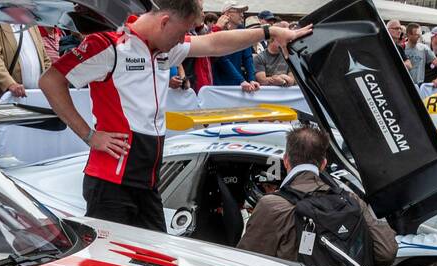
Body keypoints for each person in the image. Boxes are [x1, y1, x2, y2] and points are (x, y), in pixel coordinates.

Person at [39, 0, 311, 231]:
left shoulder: (164, 48)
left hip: (147, 180)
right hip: (111, 184)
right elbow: (50, 81)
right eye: (182, 33)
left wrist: (270, 31)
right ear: (164, 21)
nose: (183, 41)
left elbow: (215, 43)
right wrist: (89, 135)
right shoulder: (110, 46)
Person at [238, 124, 396, 266]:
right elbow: (385, 254)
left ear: (286, 160)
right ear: (323, 164)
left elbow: (245, 265)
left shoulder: (272, 206)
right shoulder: (351, 199)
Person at [0, 16, 51, 102]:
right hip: (10, 97)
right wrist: (10, 84)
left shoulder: (31, 22)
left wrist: (51, 81)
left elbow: (44, 58)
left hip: (37, 96)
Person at [212, 3, 258, 90]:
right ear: (227, 14)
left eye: (242, 12)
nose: (242, 15)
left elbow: (248, 58)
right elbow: (222, 59)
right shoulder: (218, 32)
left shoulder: (243, 31)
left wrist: (251, 79)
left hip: (239, 84)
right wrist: (241, 80)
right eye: (238, 11)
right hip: (220, 85)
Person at [254, 21, 295, 87]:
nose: (288, 41)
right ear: (274, 38)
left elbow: (292, 80)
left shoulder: (289, 56)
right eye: (285, 38)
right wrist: (283, 80)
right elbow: (262, 80)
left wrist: (282, 79)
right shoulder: (260, 57)